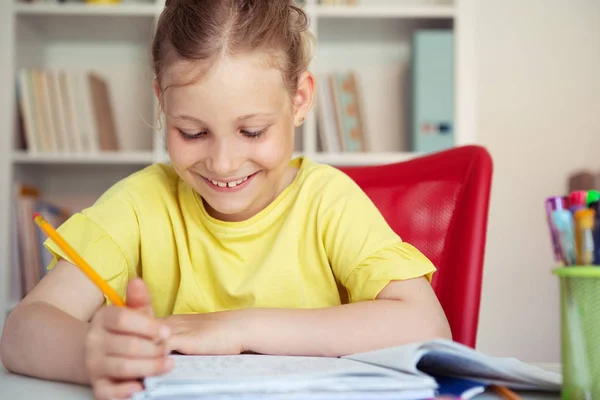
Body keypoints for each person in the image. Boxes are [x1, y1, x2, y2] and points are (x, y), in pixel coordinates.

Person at [0, 1, 451, 399]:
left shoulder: (327, 202)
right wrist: (93, 355)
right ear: (162, 102)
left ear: (299, 99)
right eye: (192, 133)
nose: (223, 162)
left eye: (252, 131)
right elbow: (22, 331)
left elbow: (426, 326)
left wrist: (239, 327)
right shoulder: (140, 203)